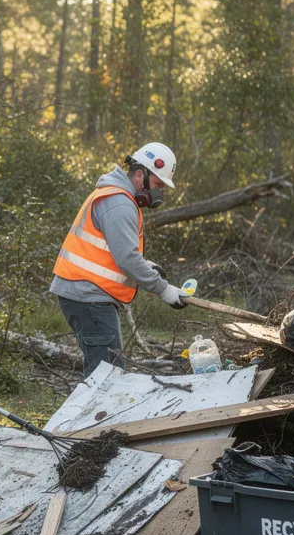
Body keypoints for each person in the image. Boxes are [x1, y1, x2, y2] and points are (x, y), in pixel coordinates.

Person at [50, 142, 191, 378]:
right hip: (89, 296)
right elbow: (126, 258)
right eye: (157, 184)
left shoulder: (116, 197)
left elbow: (113, 251)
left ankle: (96, 414)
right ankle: (98, 416)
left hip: (87, 294)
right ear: (140, 174)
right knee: (107, 377)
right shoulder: (119, 202)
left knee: (104, 374)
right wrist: (163, 289)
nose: (158, 193)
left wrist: (146, 266)